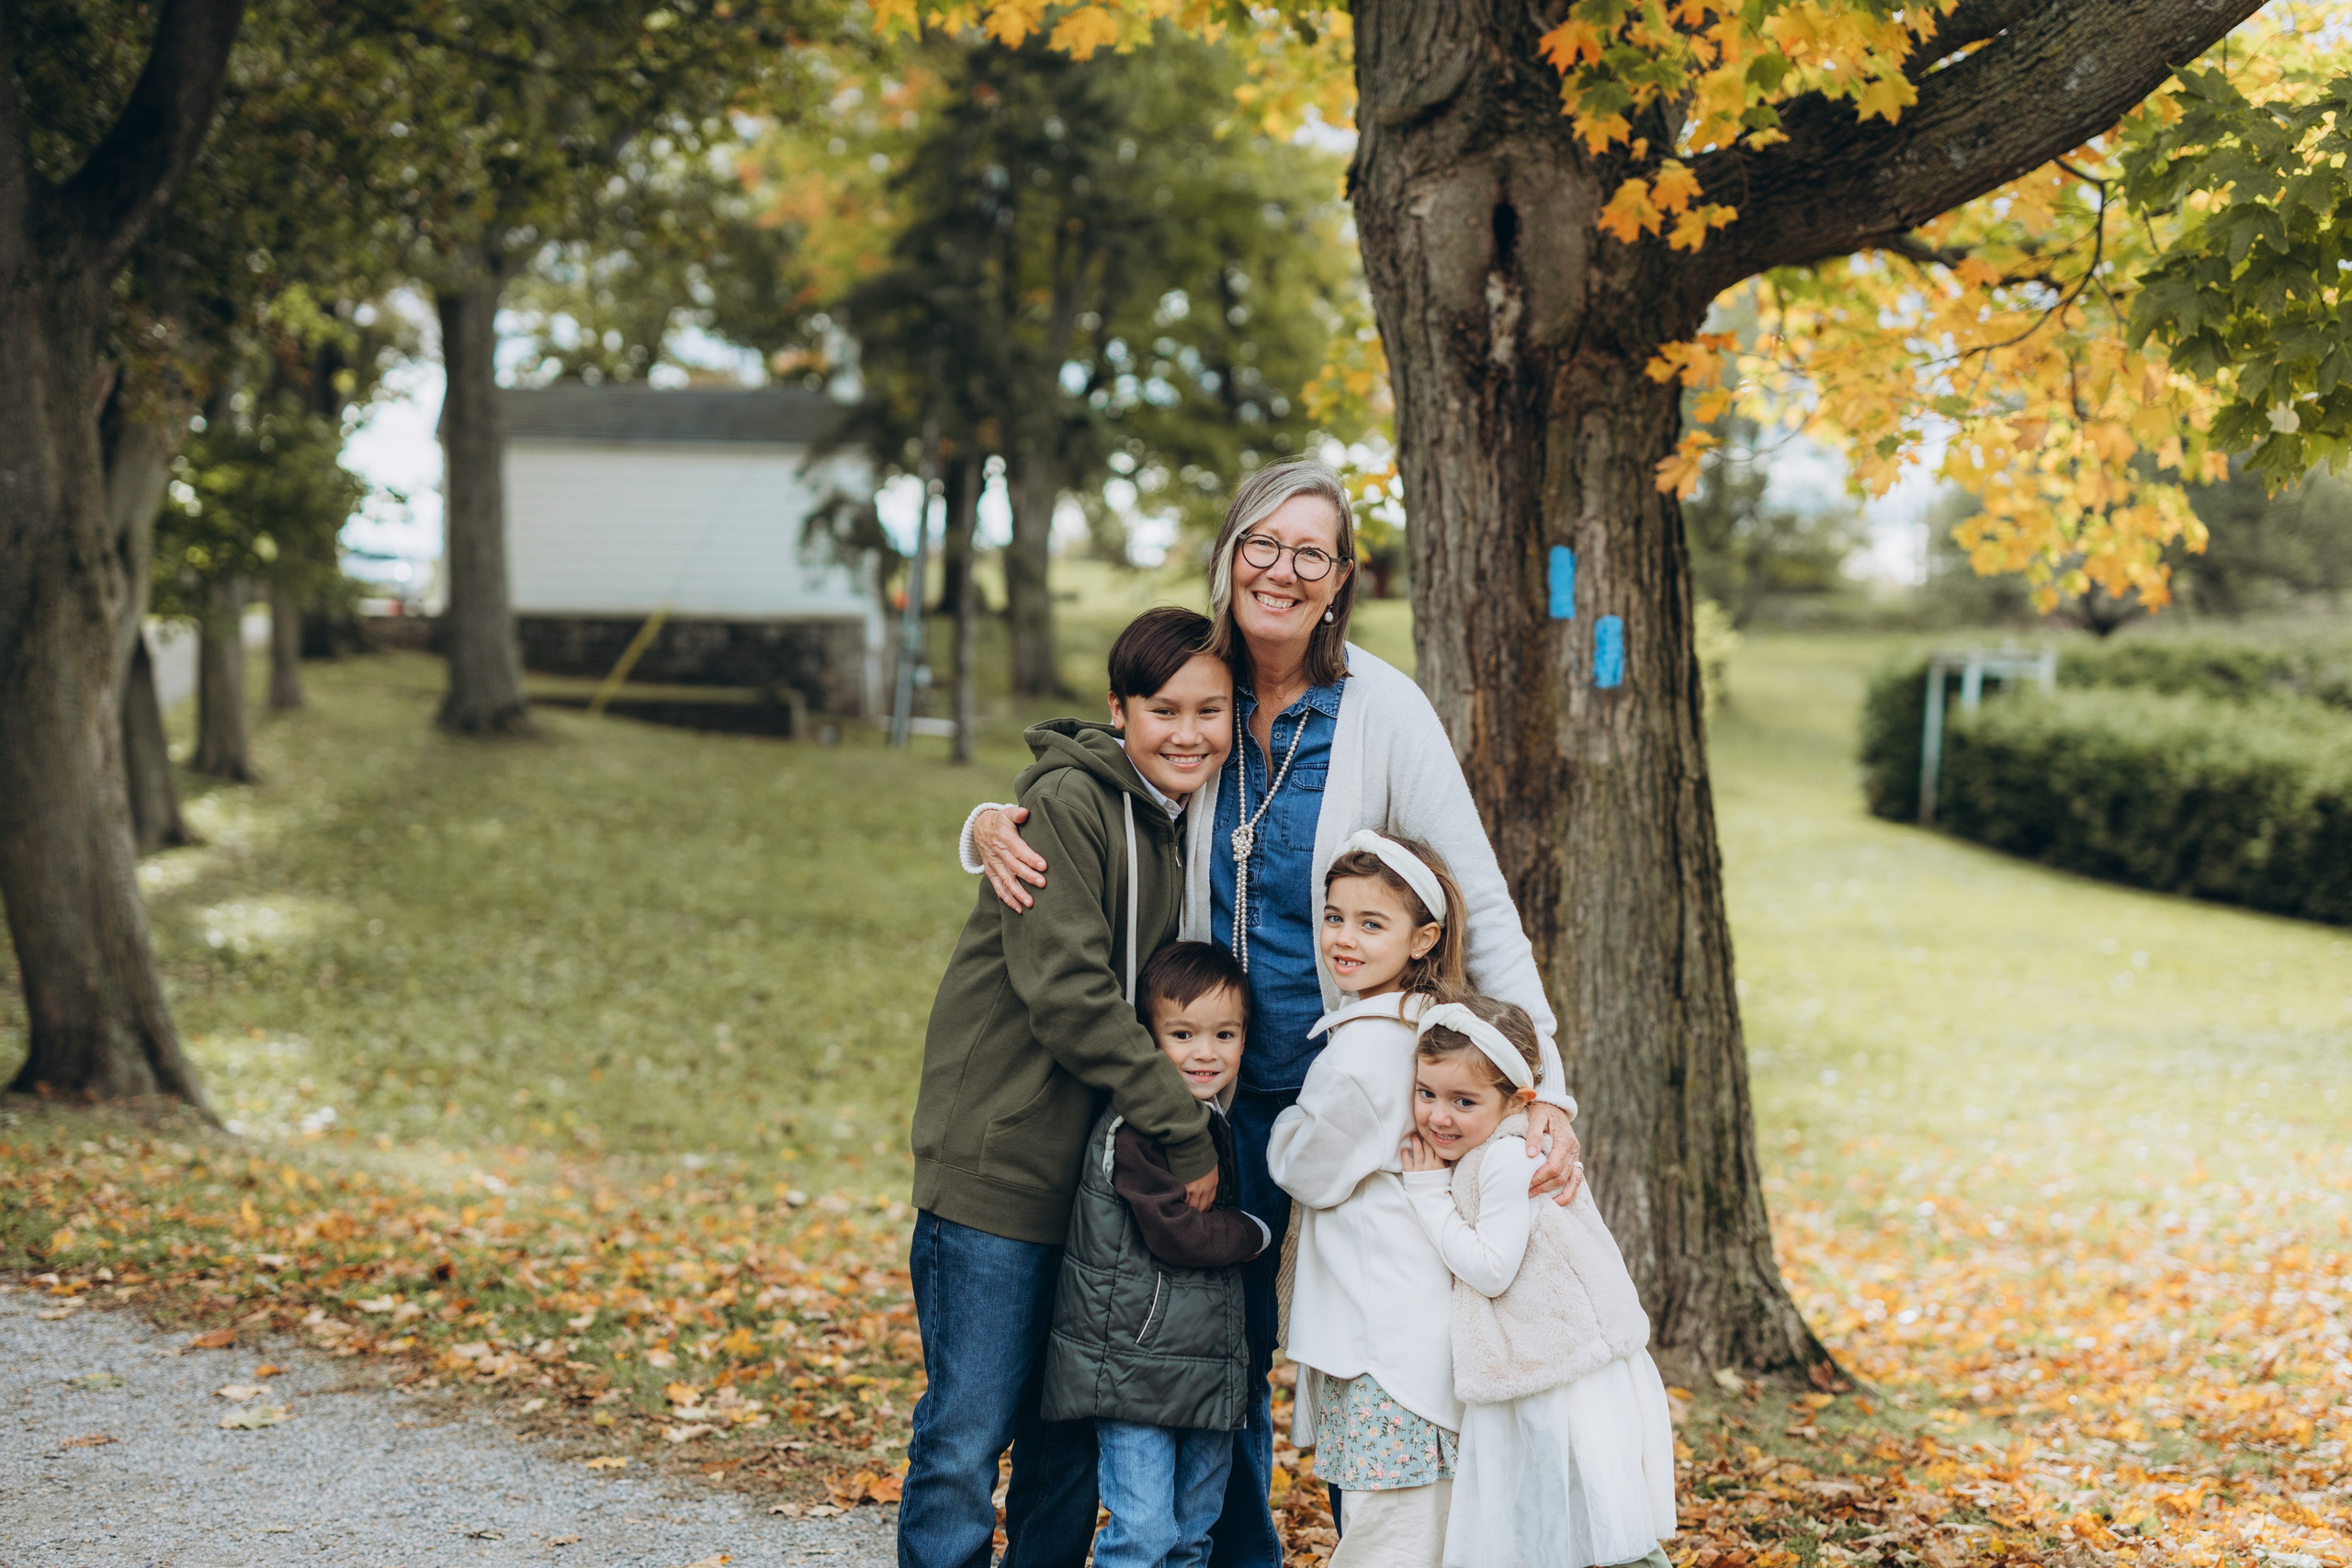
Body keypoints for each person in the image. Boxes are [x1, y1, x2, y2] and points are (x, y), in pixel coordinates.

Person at [959, 459, 1583, 1566]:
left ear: (1340, 579)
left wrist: (1543, 1091)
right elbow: (1088, 776)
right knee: (1218, 1356)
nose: (1282, 570)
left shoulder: (1384, 709)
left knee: (1377, 1355)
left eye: (1311, 552)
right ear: (1227, 553)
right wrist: (979, 827)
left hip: (1359, 1103)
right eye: (1262, 542)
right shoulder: (1198, 681)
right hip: (1206, 1091)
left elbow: (1477, 899)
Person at [901, 607, 1235, 1568]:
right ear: (1117, 709)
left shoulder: (1179, 823)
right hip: (1001, 1170)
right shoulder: (1068, 809)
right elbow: (1070, 995)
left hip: (1100, 1190)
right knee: (967, 1435)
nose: (1186, 732)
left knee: (1068, 1439)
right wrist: (1183, 1129)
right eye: (1162, 708)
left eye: (1209, 711)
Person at [1400, 997, 1677, 1568]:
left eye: (1463, 1101)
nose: (1438, 1117)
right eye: (1427, 1093)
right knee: (1561, 1513)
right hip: (1544, 1357)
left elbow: (1490, 1270)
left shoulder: (1506, 1159)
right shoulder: (1493, 1148)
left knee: (1583, 1509)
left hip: (1555, 1370)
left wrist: (1427, 1197)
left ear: (1518, 1102)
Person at [1267, 831, 1478, 1566]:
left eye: (1370, 922)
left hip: (1381, 1339)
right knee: (1413, 1521)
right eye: (1334, 916)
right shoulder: (1423, 1028)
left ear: (1423, 938)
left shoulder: (1364, 1054)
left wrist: (1284, 1122)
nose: (1343, 938)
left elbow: (1306, 1168)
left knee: (1387, 1530)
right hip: (1405, 1322)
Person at [1042, 941, 1272, 1568]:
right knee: (1142, 1530)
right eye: (1183, 1034)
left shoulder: (1220, 1121)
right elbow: (1173, 1232)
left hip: (1206, 1368)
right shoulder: (1138, 1128)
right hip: (1134, 1369)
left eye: (1224, 1033)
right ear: (1147, 1039)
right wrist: (1251, 1233)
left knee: (1193, 1532)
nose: (1206, 1052)